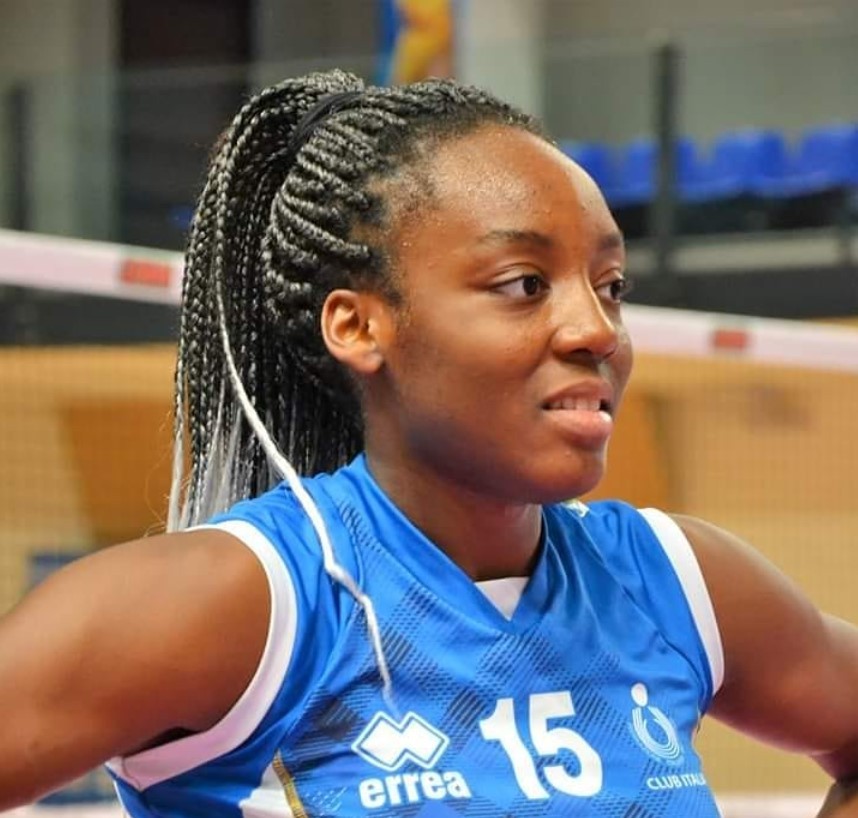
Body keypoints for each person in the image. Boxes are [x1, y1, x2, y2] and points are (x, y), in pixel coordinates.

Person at [1, 68, 857, 817]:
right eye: (524, 284)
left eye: (611, 286)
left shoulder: (677, 584)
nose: (597, 330)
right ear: (358, 326)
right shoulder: (246, 603)